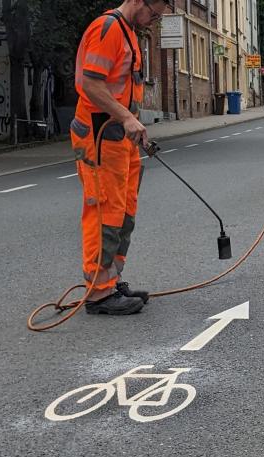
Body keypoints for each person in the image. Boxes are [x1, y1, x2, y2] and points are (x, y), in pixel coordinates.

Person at [71, 0, 172, 315]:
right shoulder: (108, 28)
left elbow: (124, 88)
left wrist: (134, 125)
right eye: (154, 14)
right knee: (105, 211)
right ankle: (98, 294)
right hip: (100, 134)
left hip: (120, 137)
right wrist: (126, 118)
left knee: (125, 209)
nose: (153, 21)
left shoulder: (129, 31)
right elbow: (90, 84)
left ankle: (111, 282)